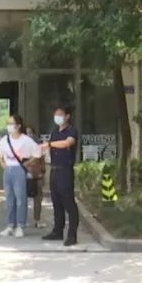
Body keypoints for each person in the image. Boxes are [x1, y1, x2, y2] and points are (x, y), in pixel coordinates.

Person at [0, 114, 39, 238]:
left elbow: (37, 152)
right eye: (8, 123)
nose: (9, 126)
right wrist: (2, 163)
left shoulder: (26, 140)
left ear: (18, 126)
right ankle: (10, 225)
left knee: (20, 199)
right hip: (8, 170)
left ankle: (20, 225)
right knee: (9, 199)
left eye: (11, 123)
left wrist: (27, 163)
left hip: (19, 170)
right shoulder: (5, 139)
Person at [41, 105, 79, 246]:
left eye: (60, 114)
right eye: (55, 114)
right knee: (56, 202)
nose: (57, 117)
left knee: (68, 202)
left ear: (67, 116)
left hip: (65, 171)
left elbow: (67, 143)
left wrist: (50, 144)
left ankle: (72, 235)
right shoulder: (55, 131)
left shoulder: (72, 131)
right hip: (54, 170)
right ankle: (58, 231)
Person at [25, 127, 46, 229]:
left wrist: (42, 173)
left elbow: (42, 164)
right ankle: (22, 221)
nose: (28, 135)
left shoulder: (38, 148)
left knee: (37, 199)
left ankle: (37, 220)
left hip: (37, 177)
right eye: (26, 133)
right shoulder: (22, 148)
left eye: (30, 132)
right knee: (22, 200)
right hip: (25, 177)